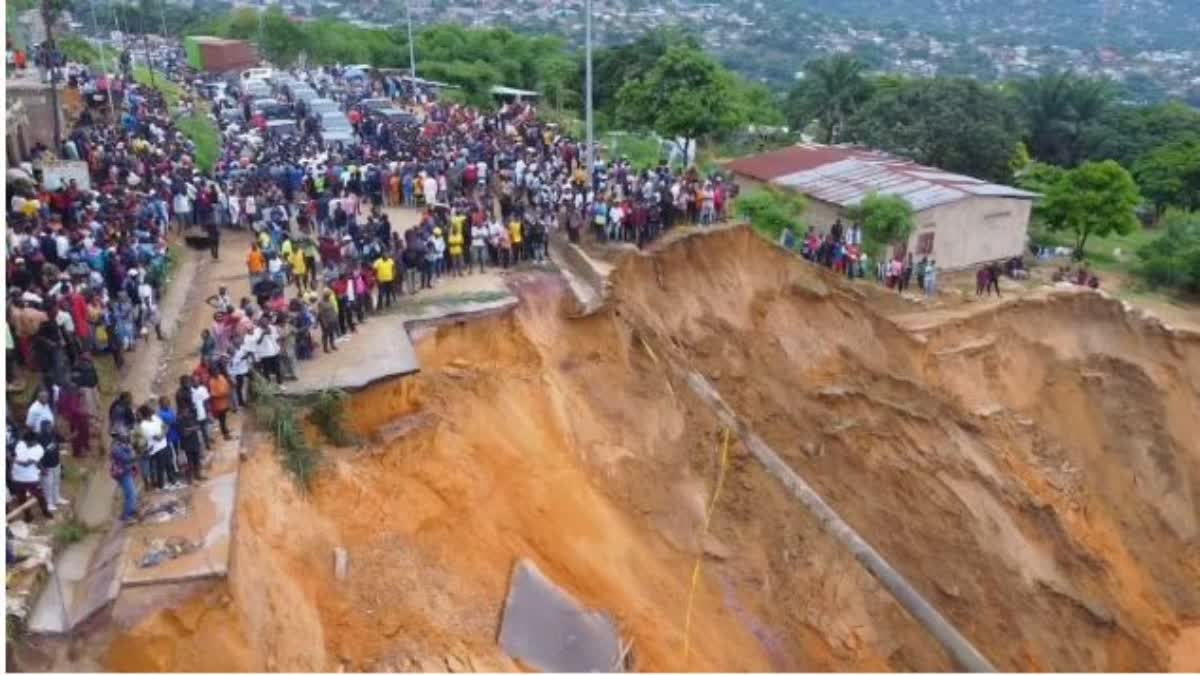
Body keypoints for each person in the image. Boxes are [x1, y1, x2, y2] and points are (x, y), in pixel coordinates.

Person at [12, 429, 50, 522]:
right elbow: (17, 455)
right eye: (25, 442)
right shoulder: (21, 444)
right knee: (21, 498)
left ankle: (45, 512)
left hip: (31, 479)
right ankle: (28, 516)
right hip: (17, 477)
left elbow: (27, 464)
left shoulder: (39, 449)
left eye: (29, 443)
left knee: (40, 496)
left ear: (35, 441)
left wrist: (11, 459)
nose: (27, 444)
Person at [138, 404, 178, 490]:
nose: (152, 411)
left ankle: (172, 481)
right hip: (156, 449)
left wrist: (162, 433)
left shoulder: (155, 418)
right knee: (160, 467)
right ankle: (161, 485)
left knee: (169, 464)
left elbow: (165, 426)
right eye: (150, 410)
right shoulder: (143, 425)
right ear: (147, 413)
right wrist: (163, 433)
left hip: (164, 444)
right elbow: (157, 437)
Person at [109, 428, 138, 523]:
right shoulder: (116, 448)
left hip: (126, 470)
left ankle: (130, 511)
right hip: (122, 473)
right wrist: (135, 454)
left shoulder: (123, 445)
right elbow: (127, 458)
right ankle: (127, 516)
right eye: (124, 434)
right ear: (118, 436)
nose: (126, 435)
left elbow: (131, 455)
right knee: (131, 493)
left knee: (130, 493)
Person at [208, 365, 233, 441]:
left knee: (224, 418)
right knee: (221, 420)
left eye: (217, 370)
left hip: (225, 402)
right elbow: (213, 394)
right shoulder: (211, 381)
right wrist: (222, 394)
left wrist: (228, 392)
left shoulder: (221, 377)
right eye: (214, 371)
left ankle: (226, 430)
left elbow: (227, 386)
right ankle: (225, 434)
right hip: (218, 405)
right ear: (212, 373)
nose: (216, 372)